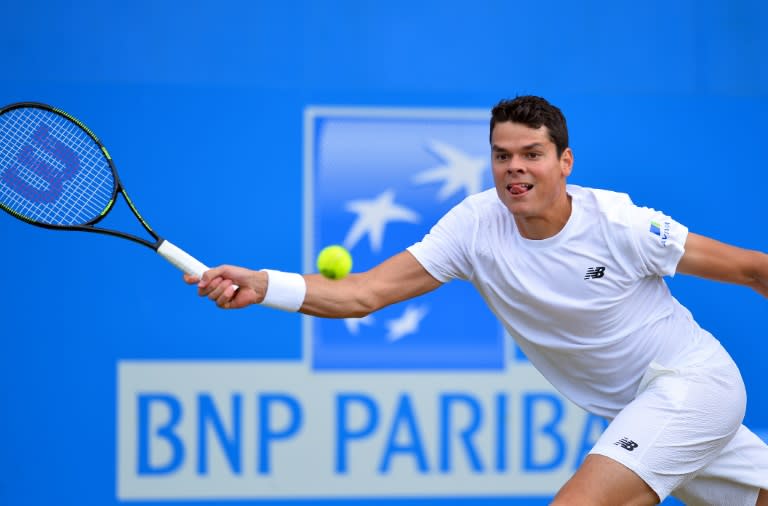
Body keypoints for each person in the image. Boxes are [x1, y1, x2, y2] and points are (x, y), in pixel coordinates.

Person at [185, 96, 768, 505]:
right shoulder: (473, 226)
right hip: (641, 405)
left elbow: (751, 269)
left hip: (692, 384)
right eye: (501, 155)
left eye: (532, 154)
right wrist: (265, 285)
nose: (515, 168)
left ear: (564, 162)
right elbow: (363, 294)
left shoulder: (622, 224)